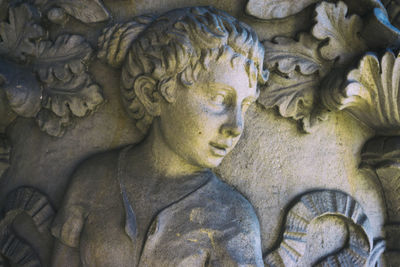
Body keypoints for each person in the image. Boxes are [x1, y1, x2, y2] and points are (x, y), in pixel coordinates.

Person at [51, 6, 268, 266]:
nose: (236, 126)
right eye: (220, 99)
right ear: (152, 94)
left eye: (245, 106)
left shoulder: (234, 217)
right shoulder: (91, 181)